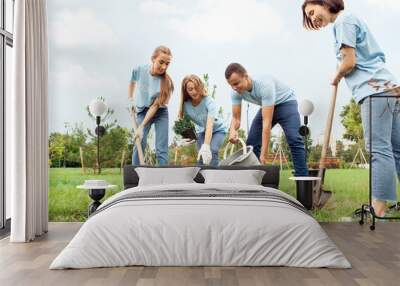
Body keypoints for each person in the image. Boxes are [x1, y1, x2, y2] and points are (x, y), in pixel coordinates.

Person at [301, 0, 400, 216]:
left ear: (323, 3)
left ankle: (378, 210)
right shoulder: (350, 19)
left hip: (374, 91)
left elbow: (349, 62)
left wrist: (336, 76)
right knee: (396, 149)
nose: (312, 18)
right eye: (308, 17)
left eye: (312, 11)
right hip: (388, 88)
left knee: (379, 149)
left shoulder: (342, 21)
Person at [225, 63, 308, 176]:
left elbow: (266, 123)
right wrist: (232, 130)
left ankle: (302, 178)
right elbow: (236, 118)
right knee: (252, 144)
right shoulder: (235, 92)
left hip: (286, 103)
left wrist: (263, 154)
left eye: (236, 83)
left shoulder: (264, 84)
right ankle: (255, 182)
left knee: (294, 139)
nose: (234, 88)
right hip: (267, 106)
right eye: (231, 85)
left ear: (246, 76)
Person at [129, 45, 174, 166]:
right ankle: (135, 178)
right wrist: (130, 99)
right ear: (153, 59)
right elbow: (132, 81)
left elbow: (154, 107)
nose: (164, 67)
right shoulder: (139, 70)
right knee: (139, 142)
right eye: (161, 62)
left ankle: (163, 180)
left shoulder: (166, 83)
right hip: (142, 110)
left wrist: (141, 126)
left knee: (161, 148)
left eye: (167, 64)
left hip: (160, 113)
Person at [179, 75, 227, 166]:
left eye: (196, 88)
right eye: (190, 89)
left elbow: (209, 125)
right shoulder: (185, 106)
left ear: (201, 87)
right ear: (186, 91)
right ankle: (200, 178)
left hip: (218, 130)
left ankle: (215, 177)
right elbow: (184, 124)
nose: (194, 91)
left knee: (212, 150)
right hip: (202, 131)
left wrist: (206, 146)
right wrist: (188, 136)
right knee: (201, 155)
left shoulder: (209, 101)